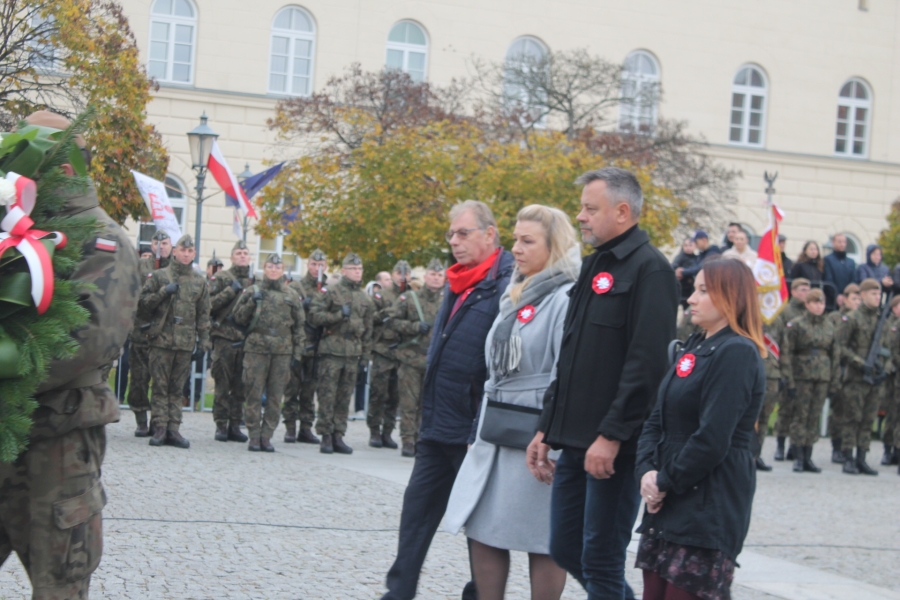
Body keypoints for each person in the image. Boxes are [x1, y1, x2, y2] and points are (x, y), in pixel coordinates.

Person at [0, 110, 140, 599]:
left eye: (28, 164)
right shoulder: (17, 231)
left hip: (57, 446)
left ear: (64, 168)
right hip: (5, 432)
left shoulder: (103, 242)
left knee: (58, 585)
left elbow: (84, 341)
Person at [527, 168, 679, 599]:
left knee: (601, 560)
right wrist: (546, 427)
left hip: (614, 448)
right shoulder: (594, 264)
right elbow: (570, 357)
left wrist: (612, 436)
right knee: (565, 548)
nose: (580, 216)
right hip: (575, 439)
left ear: (622, 211)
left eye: (590, 209)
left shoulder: (651, 270)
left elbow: (646, 366)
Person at [444, 205, 579, 600]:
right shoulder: (517, 290)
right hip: (496, 428)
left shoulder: (566, 297)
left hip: (537, 433)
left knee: (542, 538)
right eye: (516, 239)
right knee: (483, 528)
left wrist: (549, 432)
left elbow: (565, 372)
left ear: (553, 246)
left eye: (527, 241)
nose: (515, 248)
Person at [381, 200, 514, 600]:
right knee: (416, 513)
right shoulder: (459, 280)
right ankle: (398, 593)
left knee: (481, 528)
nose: (454, 241)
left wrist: (479, 427)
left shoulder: (506, 283)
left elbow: (501, 365)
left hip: (473, 430)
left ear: (489, 234)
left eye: (463, 233)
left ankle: (480, 594)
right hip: (438, 423)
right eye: (451, 234)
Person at [634, 259, 766, 600]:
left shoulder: (737, 352)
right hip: (669, 500)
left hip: (707, 504)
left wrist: (664, 481)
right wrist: (646, 471)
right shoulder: (693, 345)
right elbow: (656, 419)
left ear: (731, 297)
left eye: (704, 291)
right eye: (694, 289)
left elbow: (713, 438)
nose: (691, 298)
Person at [140, 234, 211, 449]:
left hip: (184, 341)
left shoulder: (199, 281)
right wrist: (163, 292)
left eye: (189, 251)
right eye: (182, 250)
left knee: (177, 387)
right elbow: (143, 304)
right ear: (175, 251)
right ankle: (160, 427)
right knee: (160, 386)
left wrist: (203, 343)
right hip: (161, 339)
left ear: (194, 253)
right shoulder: (160, 276)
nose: (186, 254)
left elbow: (203, 315)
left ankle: (174, 428)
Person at [232, 254, 305, 452]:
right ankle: (254, 435)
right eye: (270, 266)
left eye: (277, 267)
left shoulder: (291, 295)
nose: (273, 270)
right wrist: (251, 302)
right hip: (256, 348)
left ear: (283, 270)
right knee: (253, 393)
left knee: (275, 396)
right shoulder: (253, 291)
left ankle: (266, 435)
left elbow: (299, 327)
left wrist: (297, 354)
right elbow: (237, 318)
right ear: (264, 269)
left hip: (282, 351)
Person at [308, 252, 374, 454]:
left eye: (360, 269)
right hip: (332, 350)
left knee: (345, 397)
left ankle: (338, 434)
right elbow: (314, 316)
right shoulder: (331, 291)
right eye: (353, 269)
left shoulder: (364, 298)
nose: (357, 272)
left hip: (353, 353)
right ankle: (326, 435)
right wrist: (337, 315)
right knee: (327, 395)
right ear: (344, 271)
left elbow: (368, 330)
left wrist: (365, 357)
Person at [388, 259, 445, 457]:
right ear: (425, 276)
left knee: (428, 404)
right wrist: (413, 327)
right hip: (411, 359)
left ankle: (422, 439)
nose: (436, 278)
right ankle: (408, 440)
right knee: (408, 403)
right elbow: (392, 321)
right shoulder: (409, 298)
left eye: (439, 275)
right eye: (433, 274)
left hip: (433, 361)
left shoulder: (447, 301)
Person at [780, 289, 840, 473]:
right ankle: (798, 456)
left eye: (821, 303)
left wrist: (834, 381)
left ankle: (808, 456)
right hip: (801, 376)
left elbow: (835, 354)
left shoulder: (829, 325)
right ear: (807, 304)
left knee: (814, 416)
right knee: (801, 416)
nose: (819, 306)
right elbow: (787, 352)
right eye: (815, 303)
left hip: (822, 376)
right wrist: (789, 380)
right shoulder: (797, 324)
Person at [839, 278, 889, 475]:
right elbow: (841, 347)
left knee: (868, 419)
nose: (877, 297)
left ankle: (862, 457)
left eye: (879, 294)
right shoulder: (852, 318)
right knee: (852, 418)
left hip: (875, 378)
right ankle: (848, 457)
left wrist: (883, 368)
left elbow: (888, 347)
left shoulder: (881, 320)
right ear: (863, 295)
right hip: (856, 378)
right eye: (873, 294)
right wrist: (860, 363)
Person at [208, 240, 254, 442]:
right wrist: (230, 291)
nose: (242, 256)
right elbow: (208, 305)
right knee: (222, 384)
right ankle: (221, 424)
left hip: (246, 340)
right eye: (238, 253)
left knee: (240, 386)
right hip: (224, 338)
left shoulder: (255, 281)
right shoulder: (221, 278)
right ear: (232, 257)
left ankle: (235, 424)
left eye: (245, 253)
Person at [128, 230, 172, 436]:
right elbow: (130, 295)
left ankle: (159, 421)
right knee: (139, 379)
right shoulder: (140, 266)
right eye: (156, 243)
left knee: (162, 381)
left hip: (166, 335)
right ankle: (140, 419)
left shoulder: (176, 269)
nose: (160, 246)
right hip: (141, 331)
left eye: (165, 243)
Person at [282, 248, 327, 444]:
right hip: (299, 344)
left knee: (310, 390)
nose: (317, 268)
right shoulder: (296, 287)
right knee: (292, 388)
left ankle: (306, 428)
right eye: (314, 264)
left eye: (320, 265)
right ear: (308, 265)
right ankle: (290, 427)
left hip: (319, 346)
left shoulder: (329, 290)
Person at [367, 260, 410, 449]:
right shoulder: (382, 295)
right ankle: (374, 431)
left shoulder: (413, 296)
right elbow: (371, 319)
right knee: (378, 393)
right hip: (383, 351)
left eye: (406, 274)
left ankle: (388, 432)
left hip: (404, 352)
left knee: (395, 396)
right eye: (399, 273)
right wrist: (388, 312)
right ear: (393, 275)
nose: (403, 277)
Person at [772, 278, 811, 462]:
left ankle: (794, 447)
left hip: (805, 368)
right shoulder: (785, 311)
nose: (806, 293)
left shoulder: (809, 310)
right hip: (790, 365)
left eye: (808, 290)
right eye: (802, 289)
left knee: (801, 411)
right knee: (786, 408)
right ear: (793, 291)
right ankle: (780, 445)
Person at [827, 283, 860, 463]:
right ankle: (836, 447)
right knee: (838, 410)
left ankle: (851, 448)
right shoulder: (835, 318)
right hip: (840, 368)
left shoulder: (861, 319)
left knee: (853, 411)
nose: (857, 302)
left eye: (859, 299)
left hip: (856, 371)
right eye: (854, 299)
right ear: (844, 299)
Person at [879, 296, 900, 466]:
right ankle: (887, 450)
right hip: (891, 374)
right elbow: (887, 348)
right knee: (891, 413)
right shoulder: (887, 325)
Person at [824, 234, 856, 305]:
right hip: (832, 300)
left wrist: (848, 295)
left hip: (848, 300)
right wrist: (836, 295)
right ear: (833, 243)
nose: (842, 244)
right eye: (839, 242)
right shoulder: (827, 260)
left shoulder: (851, 262)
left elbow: (853, 280)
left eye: (844, 242)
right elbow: (828, 279)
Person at [671, 237, 697, 308]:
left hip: (690, 289)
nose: (688, 247)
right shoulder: (680, 257)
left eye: (690, 245)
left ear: (695, 246)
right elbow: (673, 267)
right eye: (686, 245)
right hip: (680, 288)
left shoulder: (696, 258)